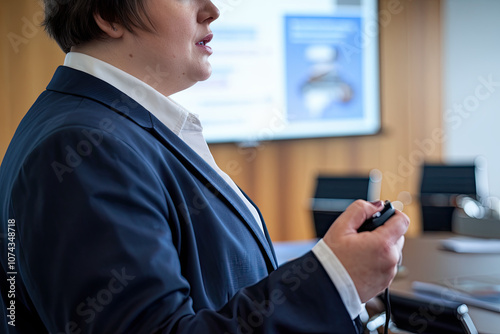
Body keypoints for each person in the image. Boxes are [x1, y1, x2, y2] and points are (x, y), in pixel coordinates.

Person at [0, 0, 409, 333]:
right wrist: (335, 281)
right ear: (108, 15)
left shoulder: (105, 125)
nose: (212, 9)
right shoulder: (83, 146)